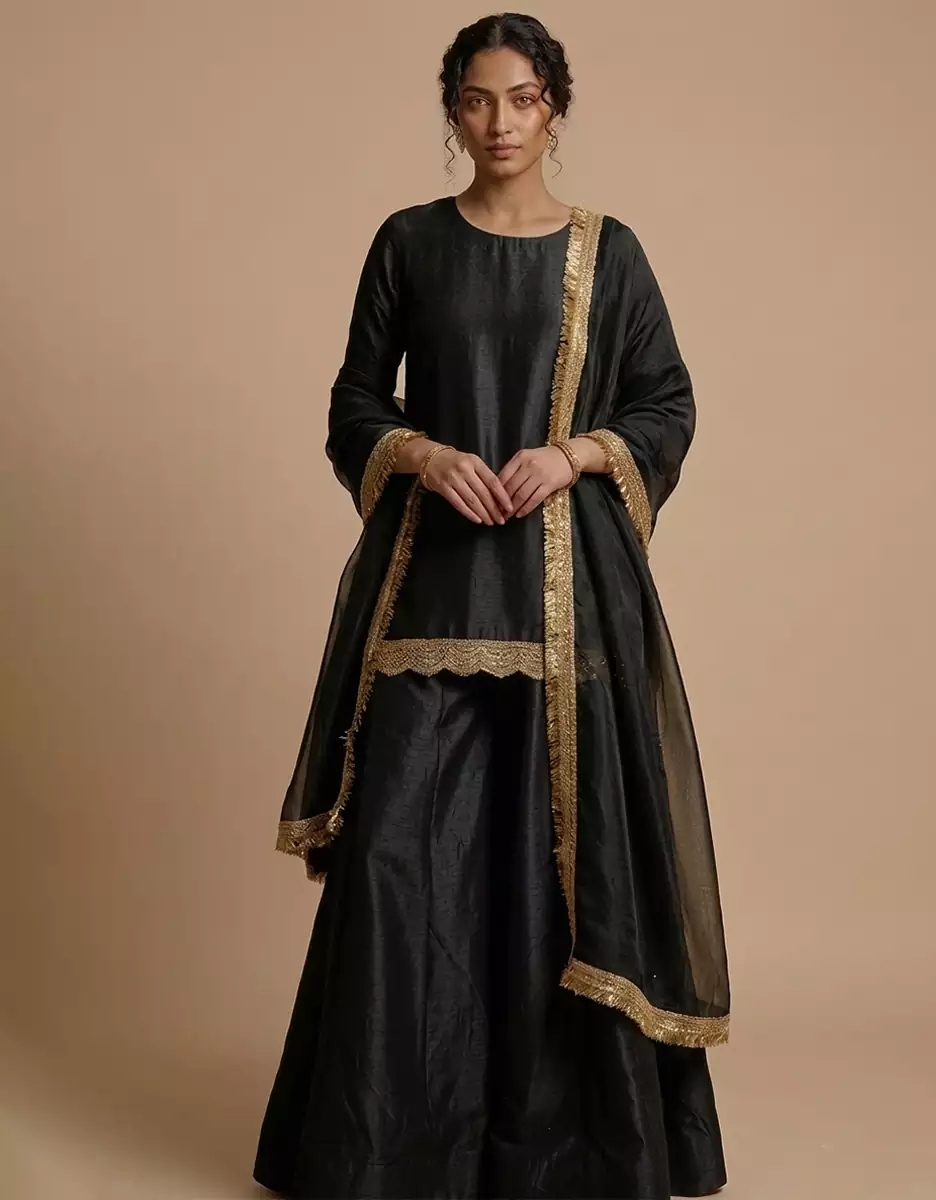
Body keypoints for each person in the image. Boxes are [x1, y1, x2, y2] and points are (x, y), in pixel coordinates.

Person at [253, 12, 730, 1199]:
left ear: (553, 107)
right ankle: (384, 1148)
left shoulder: (608, 253)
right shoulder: (409, 242)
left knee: (552, 866)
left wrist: (573, 454)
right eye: (475, 100)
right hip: (431, 584)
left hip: (566, 596)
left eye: (521, 99)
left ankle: (558, 1147)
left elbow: (666, 403)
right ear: (451, 111)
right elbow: (353, 401)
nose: (499, 122)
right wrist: (419, 453)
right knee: (399, 858)